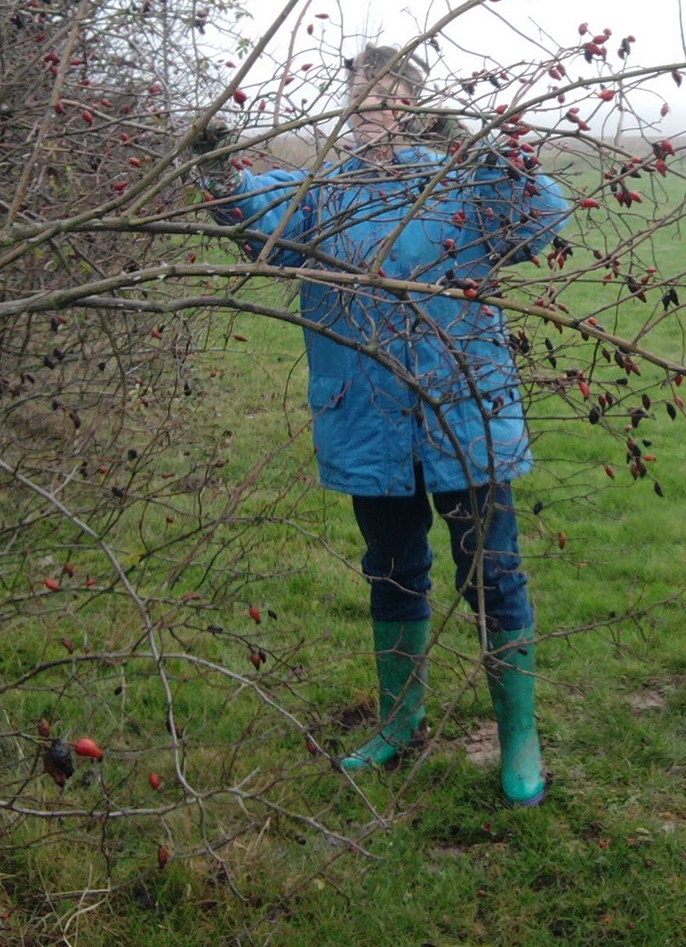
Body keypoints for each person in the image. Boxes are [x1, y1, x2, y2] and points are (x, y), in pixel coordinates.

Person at [191, 44, 569, 806]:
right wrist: (212, 163)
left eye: (388, 96)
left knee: (493, 575)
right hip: (368, 419)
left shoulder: (458, 182)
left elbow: (541, 216)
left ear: (414, 105)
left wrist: (491, 151)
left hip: (465, 411)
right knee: (393, 572)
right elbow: (247, 213)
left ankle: (518, 737)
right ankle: (401, 722)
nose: (371, 110)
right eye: (361, 96)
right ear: (344, 104)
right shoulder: (319, 193)